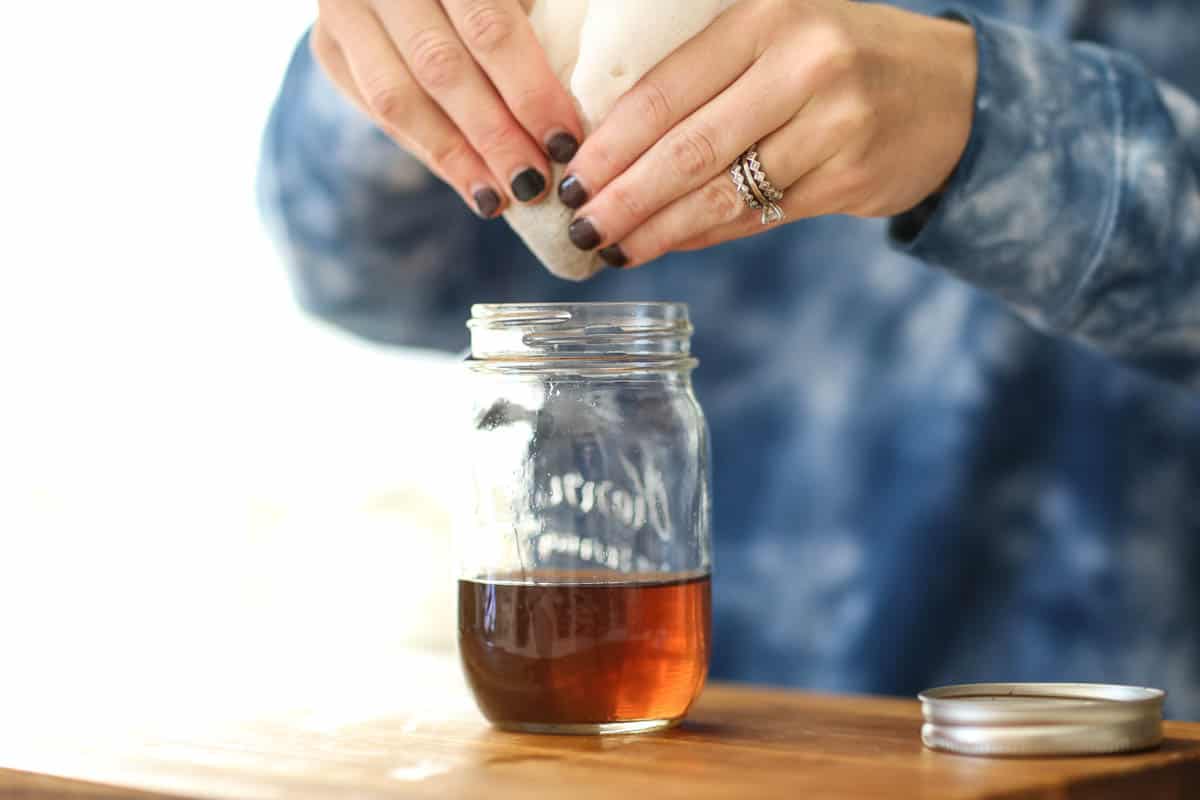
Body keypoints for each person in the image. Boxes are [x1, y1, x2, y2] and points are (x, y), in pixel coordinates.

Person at [259, 0, 1200, 716]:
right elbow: (357, 270)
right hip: (690, 743)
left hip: (1130, 729)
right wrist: (400, 62)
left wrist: (995, 127)